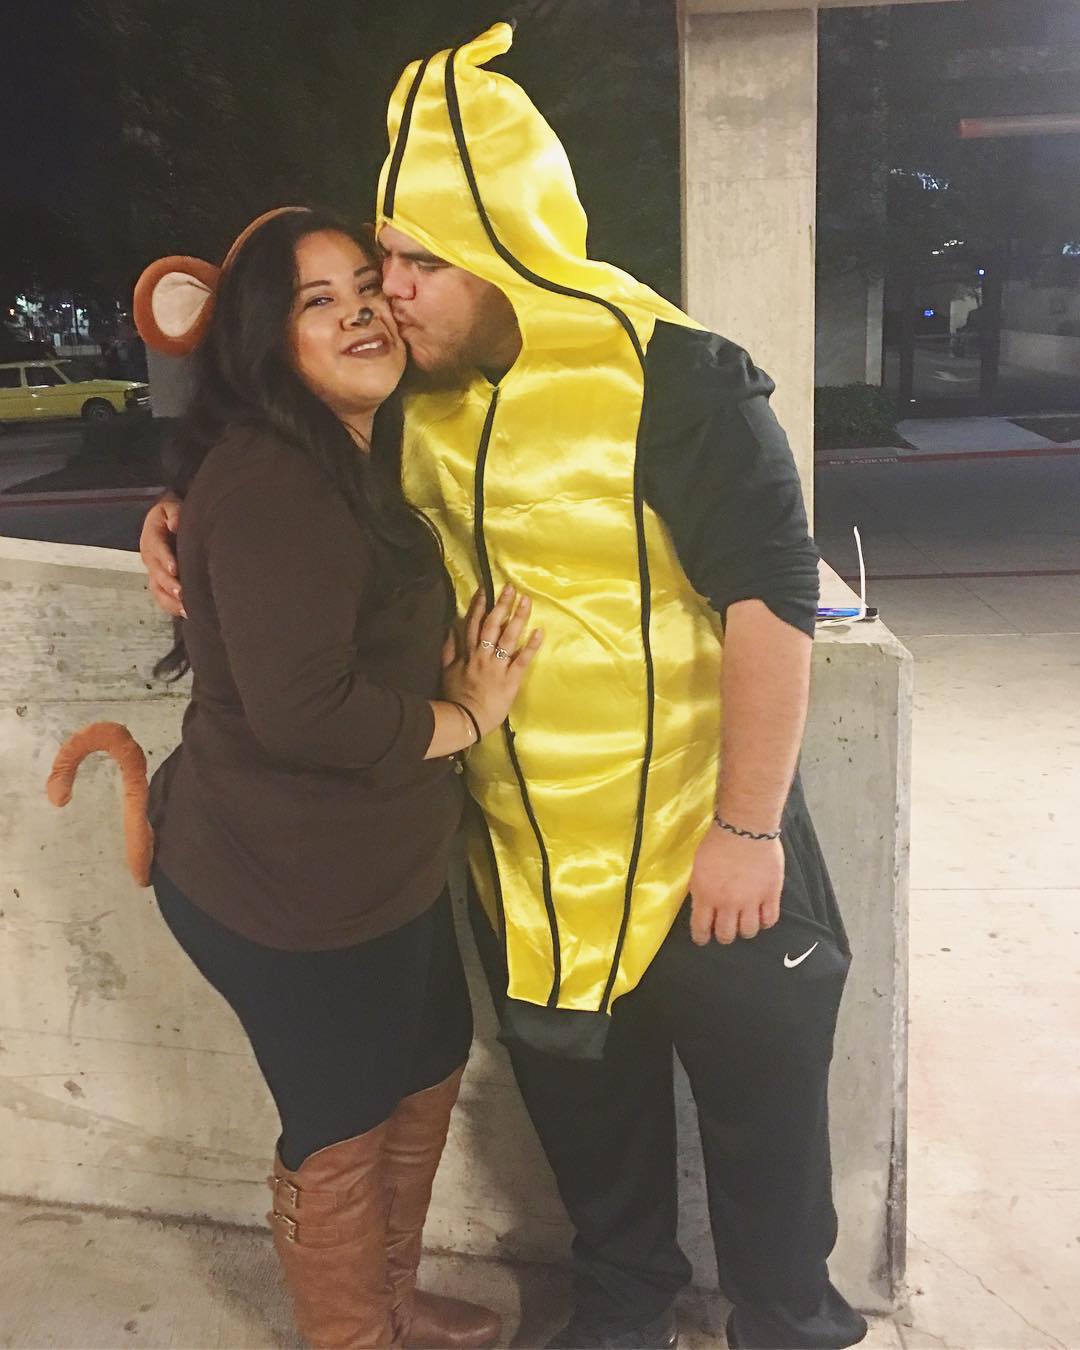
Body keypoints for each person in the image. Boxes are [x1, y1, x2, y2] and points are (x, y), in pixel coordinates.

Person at [142, 25, 868, 1350]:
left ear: (507, 242)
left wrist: (752, 824)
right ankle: (624, 1308)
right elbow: (277, 453)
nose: (390, 295)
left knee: (766, 1126)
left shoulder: (675, 374)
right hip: (530, 873)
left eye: (416, 263)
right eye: (378, 266)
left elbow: (776, 597)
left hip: (711, 848)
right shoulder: (410, 403)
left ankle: (787, 1323)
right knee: (593, 1137)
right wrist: (175, 510)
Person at [132, 204, 542, 1350]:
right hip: (290, 887)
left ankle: (390, 1304)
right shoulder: (277, 478)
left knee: (421, 1066)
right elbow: (304, 712)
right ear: (268, 342)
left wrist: (169, 514)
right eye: (319, 301)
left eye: (366, 284)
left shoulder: (355, 445)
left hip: (380, 867)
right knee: (340, 1122)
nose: (362, 308)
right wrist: (465, 719)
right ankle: (352, 1334)